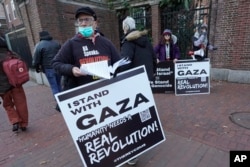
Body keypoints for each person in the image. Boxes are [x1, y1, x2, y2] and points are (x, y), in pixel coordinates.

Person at [52, 6, 121, 91]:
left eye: (87, 19)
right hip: (84, 95)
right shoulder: (71, 44)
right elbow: (56, 64)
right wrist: (71, 69)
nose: (83, 23)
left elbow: (118, 64)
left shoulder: (106, 43)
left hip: (107, 89)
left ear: (95, 23)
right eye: (80, 20)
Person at [0, 37, 29, 132]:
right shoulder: (12, 54)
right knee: (21, 104)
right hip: (16, 84)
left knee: (8, 105)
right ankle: (24, 124)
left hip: (3, 88)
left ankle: (15, 121)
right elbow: (23, 64)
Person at [120, 16, 157, 81]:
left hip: (135, 79)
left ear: (126, 27)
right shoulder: (146, 40)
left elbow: (125, 62)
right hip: (148, 77)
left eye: (123, 28)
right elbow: (154, 58)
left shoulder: (128, 42)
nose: (123, 31)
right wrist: (153, 72)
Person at [33, 30, 62, 112]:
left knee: (54, 86)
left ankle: (59, 104)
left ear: (40, 37)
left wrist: (36, 67)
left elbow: (36, 59)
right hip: (58, 67)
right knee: (59, 85)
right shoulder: (56, 43)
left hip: (49, 68)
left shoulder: (39, 45)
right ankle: (63, 101)